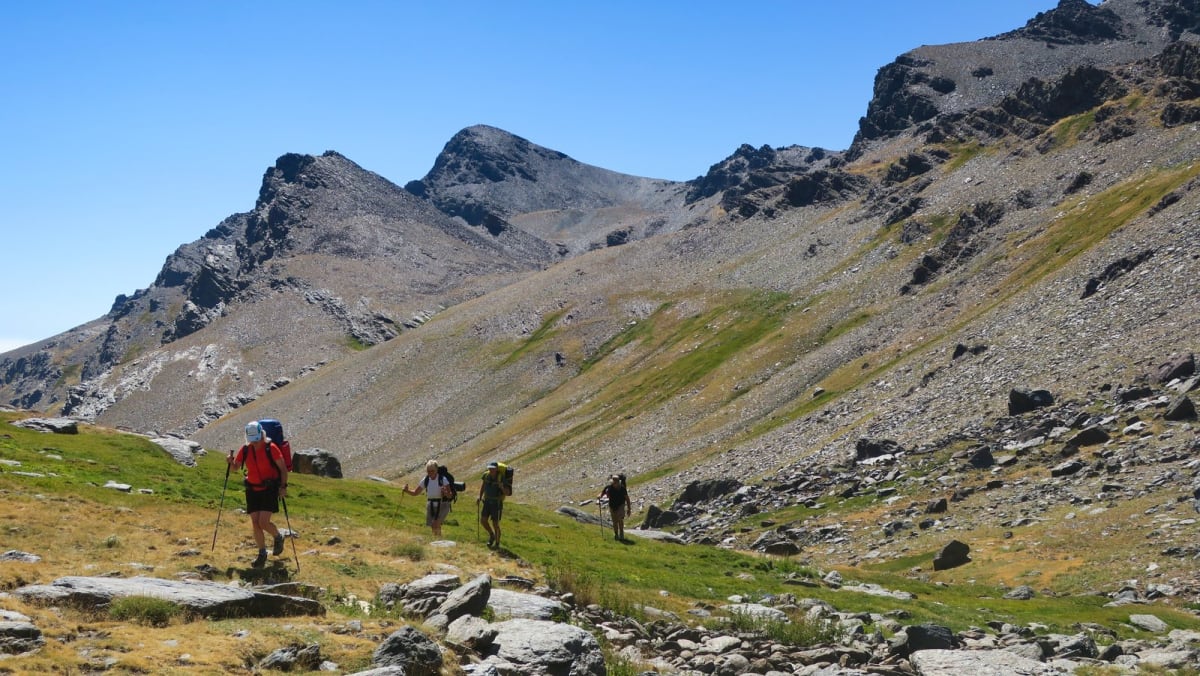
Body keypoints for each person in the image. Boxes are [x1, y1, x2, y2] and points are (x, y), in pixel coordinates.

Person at [228, 421, 289, 568]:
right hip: (252, 489)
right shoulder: (246, 449)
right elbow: (235, 468)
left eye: (257, 440)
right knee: (255, 522)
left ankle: (277, 536)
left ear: (262, 435)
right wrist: (230, 462)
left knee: (263, 522)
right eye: (252, 441)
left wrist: (283, 487)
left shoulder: (272, 448)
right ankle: (262, 553)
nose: (255, 443)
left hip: (269, 489)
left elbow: (283, 470)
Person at [404, 460, 453, 538]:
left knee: (435, 524)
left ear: (436, 470)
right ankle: (437, 541)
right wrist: (407, 491)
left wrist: (446, 492)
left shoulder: (443, 479)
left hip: (443, 504)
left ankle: (437, 541)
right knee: (434, 525)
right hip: (431, 504)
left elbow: (450, 495)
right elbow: (416, 493)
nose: (430, 473)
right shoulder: (426, 480)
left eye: (432, 471)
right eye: (428, 471)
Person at [477, 461, 511, 549]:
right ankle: (492, 535)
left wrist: (502, 487)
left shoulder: (501, 478)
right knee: (483, 521)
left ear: (496, 469)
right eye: (489, 468)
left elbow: (507, 492)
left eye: (492, 468)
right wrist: (479, 497)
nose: (491, 470)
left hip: (496, 503)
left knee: (495, 524)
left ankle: (497, 543)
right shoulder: (486, 475)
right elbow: (483, 486)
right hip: (487, 502)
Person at [599, 474, 632, 541]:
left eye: (614, 483)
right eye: (612, 483)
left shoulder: (622, 488)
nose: (613, 484)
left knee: (620, 518)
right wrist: (600, 496)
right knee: (614, 521)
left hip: (620, 505)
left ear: (617, 482)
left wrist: (629, 509)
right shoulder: (609, 487)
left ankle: (621, 533)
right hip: (612, 506)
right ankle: (616, 534)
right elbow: (602, 493)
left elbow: (627, 499)